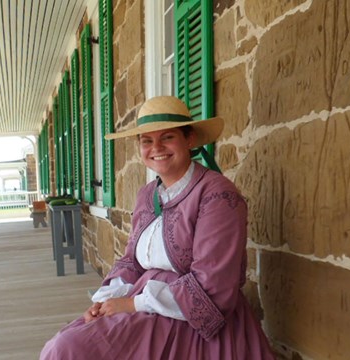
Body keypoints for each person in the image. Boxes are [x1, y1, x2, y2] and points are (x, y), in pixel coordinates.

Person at [40, 96, 274, 359]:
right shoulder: (147, 194)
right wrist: (105, 301)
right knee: (63, 347)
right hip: (143, 303)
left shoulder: (217, 195)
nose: (157, 147)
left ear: (190, 139)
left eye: (168, 137)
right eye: (147, 141)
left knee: (70, 350)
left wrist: (132, 304)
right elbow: (131, 260)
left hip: (190, 319)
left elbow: (214, 285)